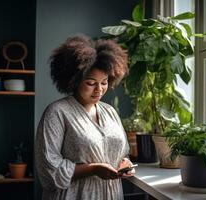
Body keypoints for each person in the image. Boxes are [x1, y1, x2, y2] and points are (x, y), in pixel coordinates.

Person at [35, 35, 135, 200]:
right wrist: (93, 169)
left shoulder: (110, 112)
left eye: (104, 82)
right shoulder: (57, 112)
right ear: (74, 80)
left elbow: (122, 153)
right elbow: (48, 170)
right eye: (91, 83)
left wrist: (126, 165)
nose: (99, 90)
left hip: (111, 194)